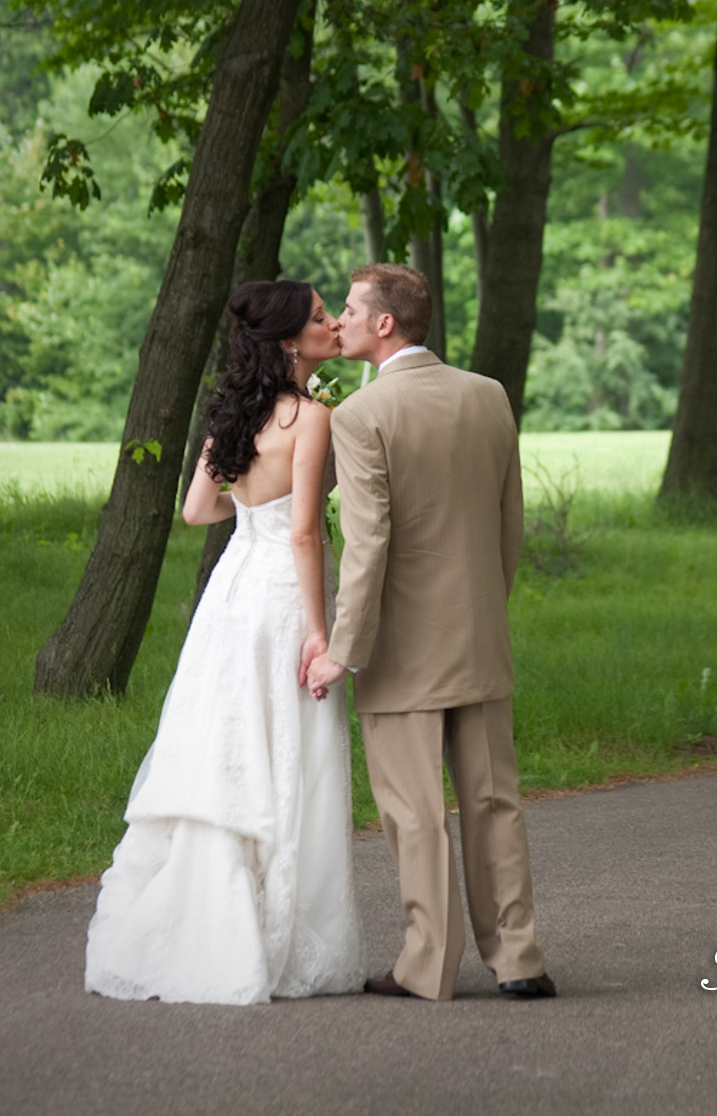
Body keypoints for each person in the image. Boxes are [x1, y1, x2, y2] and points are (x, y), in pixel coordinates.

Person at [84, 280, 367, 1005]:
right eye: (316, 319)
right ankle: (276, 931)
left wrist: (250, 509)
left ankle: (198, 924)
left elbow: (195, 510)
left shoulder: (234, 414)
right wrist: (318, 629)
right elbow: (305, 532)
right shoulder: (310, 417)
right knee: (286, 749)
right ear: (285, 342)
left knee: (225, 746)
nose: (329, 323)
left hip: (231, 591)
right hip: (279, 596)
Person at [306, 263, 554, 1002]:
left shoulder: (360, 416)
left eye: (350, 308)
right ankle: (519, 960)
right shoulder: (488, 397)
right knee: (493, 802)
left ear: (385, 324)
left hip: (401, 649)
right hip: (479, 633)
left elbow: (367, 545)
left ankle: (428, 966)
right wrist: (488, 604)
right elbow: (511, 520)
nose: (340, 319)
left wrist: (343, 651)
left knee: (414, 812)